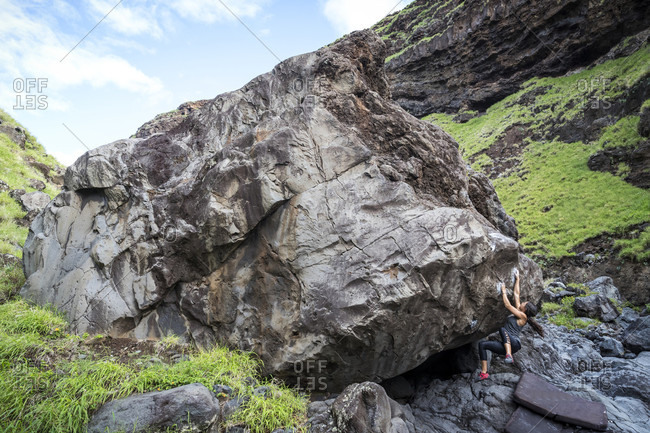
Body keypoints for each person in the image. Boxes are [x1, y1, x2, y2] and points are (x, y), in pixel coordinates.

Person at [478, 268, 544, 381]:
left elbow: (508, 306)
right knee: (482, 345)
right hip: (505, 344)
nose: (522, 303)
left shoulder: (523, 317)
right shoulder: (520, 311)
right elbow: (516, 294)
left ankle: (509, 355)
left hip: (514, 343)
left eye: (524, 303)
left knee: (502, 329)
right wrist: (517, 279)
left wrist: (503, 291)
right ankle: (484, 373)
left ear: (525, 309)